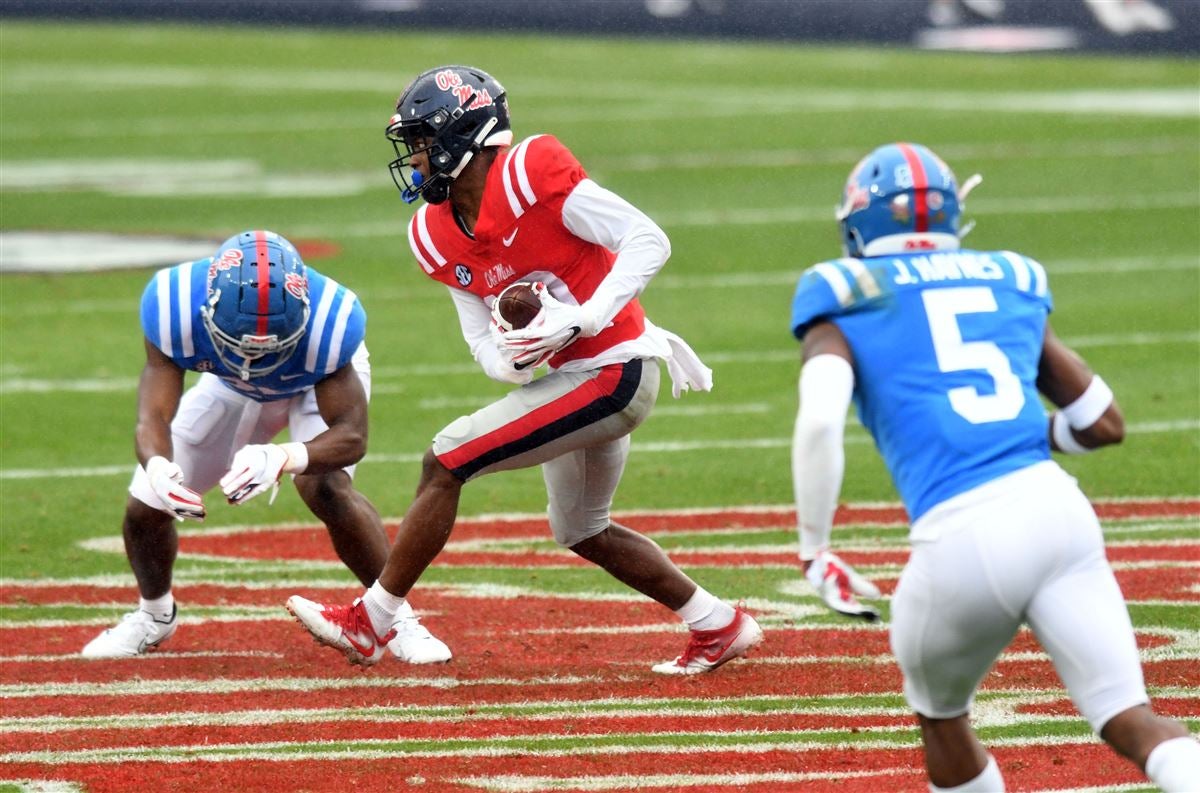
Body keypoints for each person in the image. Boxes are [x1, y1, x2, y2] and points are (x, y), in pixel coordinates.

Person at [286, 65, 762, 674]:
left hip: (615, 369)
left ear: (462, 138)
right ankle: (717, 624)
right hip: (573, 379)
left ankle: (373, 621)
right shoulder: (433, 233)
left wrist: (584, 320)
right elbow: (481, 341)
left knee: (447, 458)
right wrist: (516, 357)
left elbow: (648, 239)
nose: (417, 161)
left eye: (425, 145)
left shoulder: (531, 173)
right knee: (582, 529)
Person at [789, 143, 1200, 792]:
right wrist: (1023, 431)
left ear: (859, 223)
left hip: (961, 533)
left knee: (942, 718)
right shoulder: (1007, 275)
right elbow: (1102, 423)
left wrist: (815, 549)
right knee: (1130, 716)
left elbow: (818, 419)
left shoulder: (844, 290)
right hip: (1058, 512)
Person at [81, 230, 450, 665]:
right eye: (241, 344)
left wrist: (282, 457)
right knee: (145, 506)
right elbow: (153, 416)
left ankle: (395, 618)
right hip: (227, 385)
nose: (256, 360)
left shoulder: (331, 323)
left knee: (326, 487)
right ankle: (154, 616)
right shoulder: (172, 303)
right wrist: (159, 466)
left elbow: (352, 435)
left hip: (311, 381)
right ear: (209, 311)